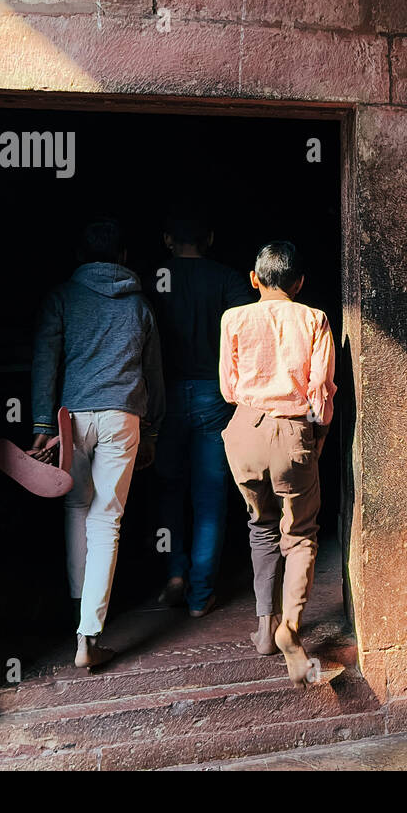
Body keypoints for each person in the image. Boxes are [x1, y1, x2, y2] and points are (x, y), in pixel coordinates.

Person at [31, 219, 164, 669]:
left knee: (75, 509)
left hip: (71, 419)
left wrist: (41, 422)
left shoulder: (61, 297)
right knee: (107, 521)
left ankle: (77, 609)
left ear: (78, 256)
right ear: (124, 257)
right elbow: (154, 376)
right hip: (122, 417)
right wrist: (152, 429)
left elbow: (45, 362)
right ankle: (88, 636)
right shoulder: (140, 306)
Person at [219, 242, 336, 685]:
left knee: (260, 525)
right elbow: (319, 391)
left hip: (244, 431)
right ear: (300, 282)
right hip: (292, 432)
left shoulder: (233, 318)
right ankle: (290, 627)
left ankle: (264, 630)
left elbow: (228, 388)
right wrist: (317, 436)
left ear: (254, 279)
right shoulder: (313, 318)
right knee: (301, 536)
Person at [148, 210, 252, 617]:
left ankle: (175, 575)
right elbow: (246, 338)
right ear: (209, 237)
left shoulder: (154, 279)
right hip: (215, 396)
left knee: (169, 489)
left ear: (168, 239)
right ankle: (200, 594)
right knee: (210, 498)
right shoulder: (228, 280)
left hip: (165, 397)